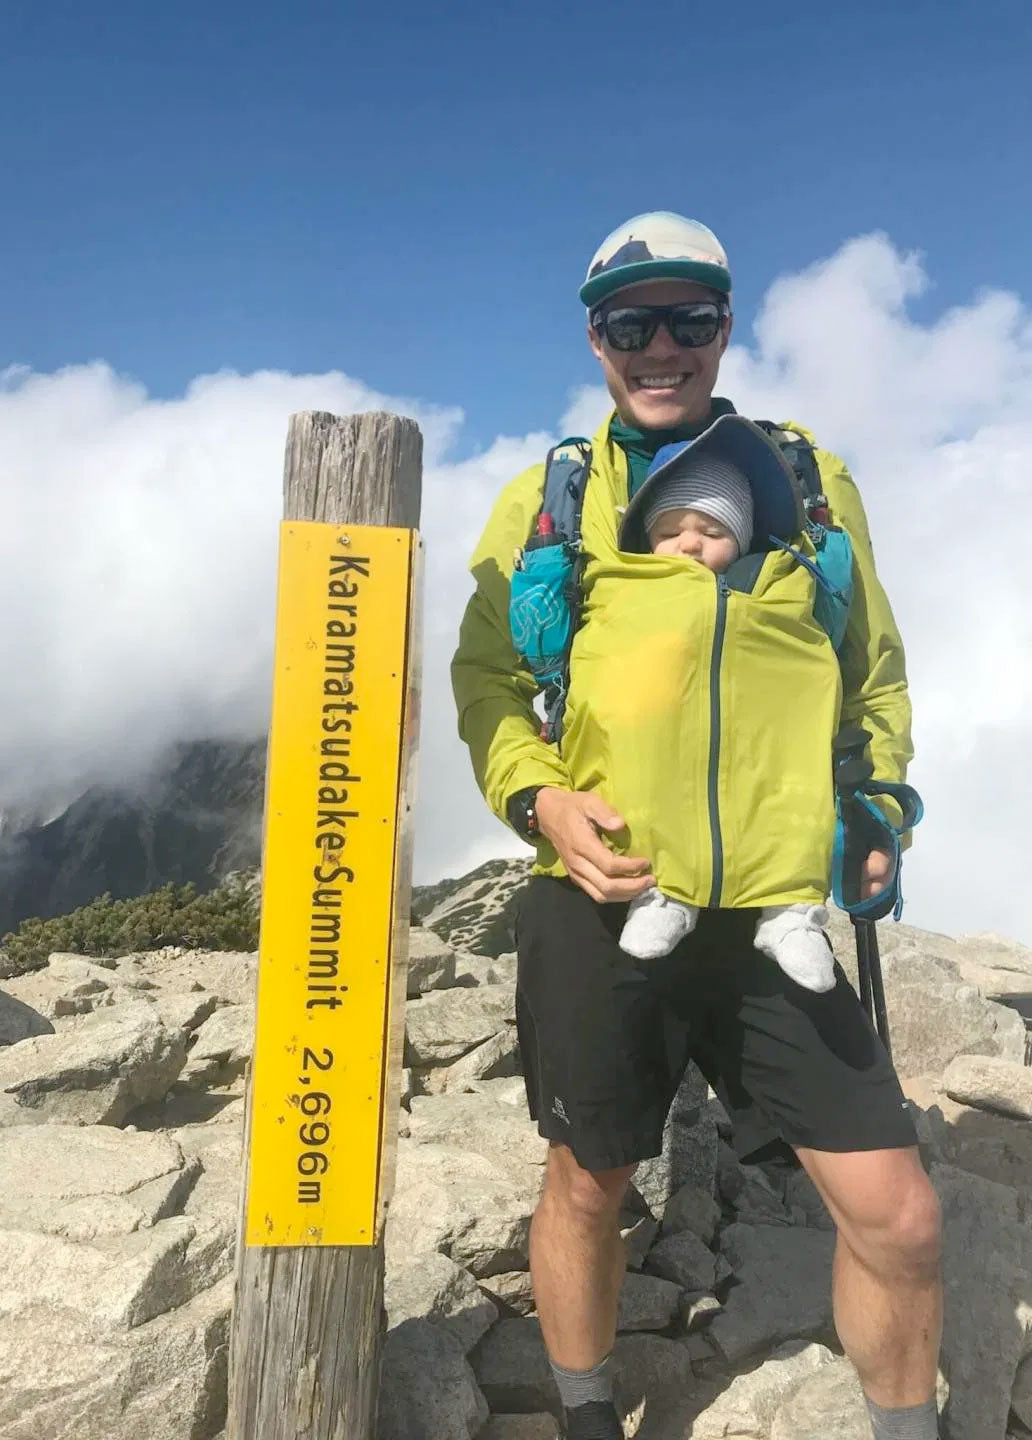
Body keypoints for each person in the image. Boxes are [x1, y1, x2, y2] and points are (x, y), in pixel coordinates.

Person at [451, 212, 943, 1440]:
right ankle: (582, 1418)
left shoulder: (808, 481)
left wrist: (875, 806)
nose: (660, 345)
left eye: (689, 319)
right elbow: (490, 684)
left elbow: (872, 672)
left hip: (777, 910)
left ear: (726, 328)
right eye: (633, 322)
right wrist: (539, 800)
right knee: (589, 1176)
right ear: (596, 335)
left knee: (901, 1216)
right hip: (602, 891)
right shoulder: (551, 497)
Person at [613, 421, 836, 994]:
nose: (687, 544)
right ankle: (665, 897)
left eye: (710, 529)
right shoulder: (634, 592)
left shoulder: (782, 584)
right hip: (670, 760)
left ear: (742, 534)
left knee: (791, 809)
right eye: (668, 532)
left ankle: (792, 917)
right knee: (655, 795)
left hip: (769, 754)